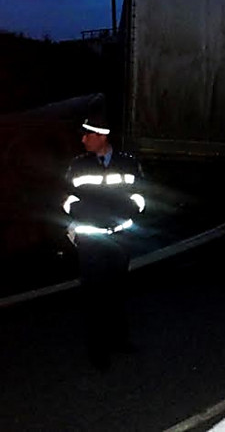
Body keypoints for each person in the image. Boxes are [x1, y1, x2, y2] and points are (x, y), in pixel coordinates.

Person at [62, 107, 145, 369]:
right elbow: (65, 198)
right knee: (94, 297)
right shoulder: (77, 165)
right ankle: (98, 352)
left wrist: (131, 210)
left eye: (87, 135)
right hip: (91, 240)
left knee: (117, 292)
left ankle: (119, 339)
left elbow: (142, 195)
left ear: (101, 136)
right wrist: (83, 212)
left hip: (120, 238)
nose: (83, 139)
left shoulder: (128, 162)